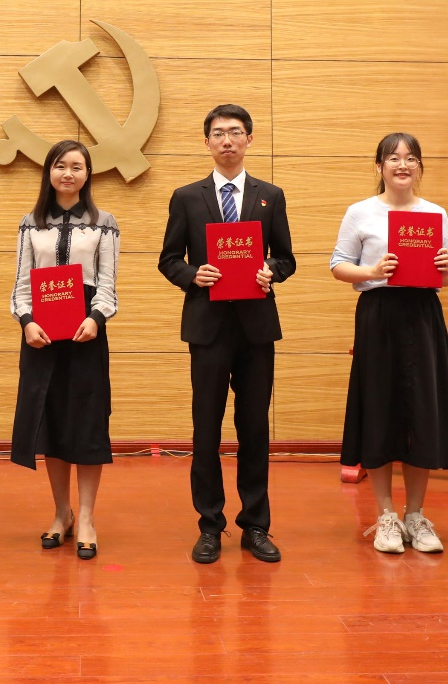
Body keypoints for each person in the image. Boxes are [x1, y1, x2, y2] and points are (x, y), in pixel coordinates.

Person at [158, 104, 295, 564]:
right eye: (219, 133)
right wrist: (192, 275)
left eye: (236, 133)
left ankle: (256, 525)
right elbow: (169, 259)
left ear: (250, 140)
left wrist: (269, 270)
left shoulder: (269, 195)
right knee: (206, 430)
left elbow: (287, 259)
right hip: (208, 327)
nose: (228, 141)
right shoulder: (187, 196)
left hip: (256, 329)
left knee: (254, 428)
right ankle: (210, 524)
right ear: (207, 142)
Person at [330, 132, 448, 555]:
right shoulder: (360, 212)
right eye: (393, 158)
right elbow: (338, 266)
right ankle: (386, 515)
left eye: (410, 158)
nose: (402, 165)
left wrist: (446, 267)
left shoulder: (434, 213)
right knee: (381, 411)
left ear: (419, 167)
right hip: (379, 317)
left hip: (423, 318)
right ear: (379, 167)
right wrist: (371, 269)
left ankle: (416, 516)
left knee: (422, 411)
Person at [10, 140, 120, 561]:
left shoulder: (104, 222)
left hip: (86, 333)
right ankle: (62, 514)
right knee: (52, 423)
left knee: (87, 424)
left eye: (77, 166)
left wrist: (96, 318)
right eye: (60, 166)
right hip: (41, 334)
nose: (68, 173)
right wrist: (26, 321)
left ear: (88, 174)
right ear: (49, 172)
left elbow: (108, 282)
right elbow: (21, 282)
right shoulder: (30, 222)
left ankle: (88, 517)